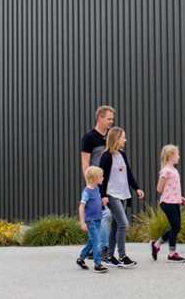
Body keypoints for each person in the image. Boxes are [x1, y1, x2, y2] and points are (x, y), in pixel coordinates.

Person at [99, 126, 145, 268]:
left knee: (115, 225)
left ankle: (110, 257)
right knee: (123, 224)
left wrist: (137, 188)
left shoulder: (122, 155)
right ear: (116, 139)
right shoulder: (106, 156)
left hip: (124, 194)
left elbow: (128, 174)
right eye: (123, 137)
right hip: (112, 195)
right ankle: (122, 256)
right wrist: (103, 195)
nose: (125, 140)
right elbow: (102, 177)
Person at [80, 105, 115, 258]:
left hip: (111, 183)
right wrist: (91, 186)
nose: (111, 122)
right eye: (109, 119)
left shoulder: (111, 137)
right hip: (97, 183)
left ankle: (95, 248)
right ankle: (102, 248)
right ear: (100, 118)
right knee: (103, 215)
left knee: (107, 216)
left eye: (112, 119)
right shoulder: (89, 138)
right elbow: (85, 164)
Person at [150, 144, 185, 262]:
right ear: (170, 156)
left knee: (176, 227)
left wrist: (181, 199)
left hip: (174, 202)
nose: (179, 156)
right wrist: (164, 184)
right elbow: (159, 188)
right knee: (176, 227)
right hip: (167, 203)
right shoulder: (166, 171)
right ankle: (172, 253)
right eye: (177, 154)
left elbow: (173, 189)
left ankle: (157, 245)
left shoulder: (174, 170)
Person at [76, 166, 108, 273]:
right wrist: (82, 222)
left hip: (98, 219)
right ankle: (97, 264)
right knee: (97, 242)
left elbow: (96, 203)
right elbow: (81, 207)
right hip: (91, 221)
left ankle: (81, 258)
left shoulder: (97, 189)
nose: (103, 178)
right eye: (101, 176)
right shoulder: (86, 192)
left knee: (92, 241)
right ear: (94, 178)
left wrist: (102, 202)